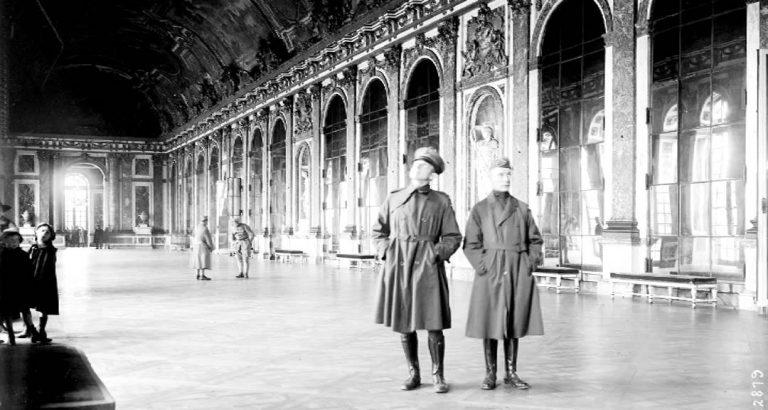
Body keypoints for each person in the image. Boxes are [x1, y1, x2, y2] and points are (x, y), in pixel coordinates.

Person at [373, 147, 462, 394]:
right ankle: (413, 373)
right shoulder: (394, 198)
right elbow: (378, 231)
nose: (417, 167)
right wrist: (386, 251)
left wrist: (435, 253)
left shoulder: (441, 201)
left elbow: (454, 236)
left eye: (424, 165)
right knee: (404, 322)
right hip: (399, 264)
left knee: (434, 322)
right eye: (416, 164)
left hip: (428, 265)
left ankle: (438, 375)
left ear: (432, 174)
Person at [463, 157, 544, 391]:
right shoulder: (480, 209)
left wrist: (529, 263)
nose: (506, 179)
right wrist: (483, 266)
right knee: (490, 321)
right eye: (500, 174)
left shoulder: (522, 208)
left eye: (508, 174)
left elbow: (535, 240)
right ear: (490, 177)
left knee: (513, 320)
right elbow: (470, 243)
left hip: (517, 269)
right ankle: (490, 373)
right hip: (491, 270)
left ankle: (511, 372)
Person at [0, 230, 39, 345]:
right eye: (11, 241)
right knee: (7, 312)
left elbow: (29, 271)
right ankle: (11, 335)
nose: (14, 243)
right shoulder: (1, 254)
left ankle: (32, 330)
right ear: (4, 241)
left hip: (21, 287)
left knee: (25, 309)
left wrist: (30, 286)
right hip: (5, 287)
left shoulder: (23, 254)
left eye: (17, 240)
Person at [28, 223, 58, 344]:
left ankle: (41, 330)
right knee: (26, 306)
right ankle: (30, 329)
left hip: (45, 281)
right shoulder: (33, 248)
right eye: (42, 231)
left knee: (43, 307)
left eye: (47, 232)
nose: (44, 233)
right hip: (30, 280)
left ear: (51, 236)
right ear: (36, 232)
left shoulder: (51, 250)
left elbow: (47, 267)